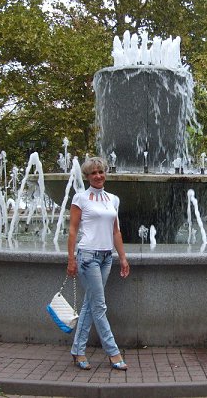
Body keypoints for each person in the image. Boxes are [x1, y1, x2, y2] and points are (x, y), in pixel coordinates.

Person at [67, 157, 130, 371]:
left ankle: (78, 350)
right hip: (87, 257)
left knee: (90, 304)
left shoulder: (113, 199)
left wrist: (122, 258)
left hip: (106, 257)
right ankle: (113, 352)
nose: (98, 176)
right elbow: (73, 230)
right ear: (87, 176)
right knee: (99, 306)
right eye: (93, 173)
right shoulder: (80, 198)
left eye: (101, 171)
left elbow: (115, 231)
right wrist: (71, 259)